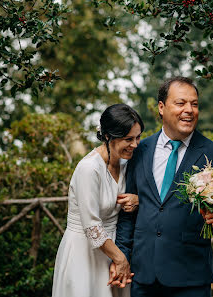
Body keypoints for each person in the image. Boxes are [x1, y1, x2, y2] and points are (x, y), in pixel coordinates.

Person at [114, 77, 213, 297]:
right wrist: (122, 255)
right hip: (143, 276)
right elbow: (128, 210)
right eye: (181, 103)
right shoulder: (140, 149)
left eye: (194, 104)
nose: (189, 110)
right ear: (161, 107)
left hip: (190, 277)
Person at [52, 104, 144, 297]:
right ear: (109, 136)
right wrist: (121, 260)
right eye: (128, 139)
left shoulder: (127, 163)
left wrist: (138, 199)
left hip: (114, 249)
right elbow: (92, 228)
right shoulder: (89, 169)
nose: (135, 144)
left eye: (138, 137)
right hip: (84, 252)